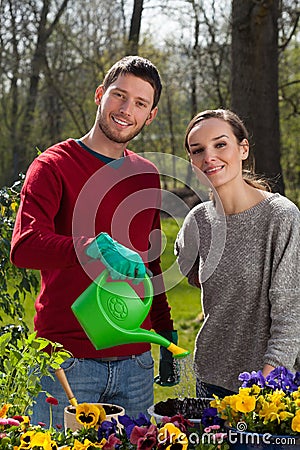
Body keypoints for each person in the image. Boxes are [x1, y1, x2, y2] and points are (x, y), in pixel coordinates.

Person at [10, 56, 178, 427]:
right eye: (119, 95)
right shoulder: (54, 165)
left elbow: (148, 263)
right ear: (100, 95)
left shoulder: (147, 175)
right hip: (68, 361)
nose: (126, 109)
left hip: (136, 363)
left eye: (140, 103)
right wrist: (90, 247)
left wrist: (164, 331)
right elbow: (24, 246)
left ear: (150, 116)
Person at [175, 108, 300, 399]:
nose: (209, 157)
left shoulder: (281, 217)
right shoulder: (198, 221)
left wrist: (265, 387)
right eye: (198, 151)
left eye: (220, 144)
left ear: (243, 149)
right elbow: (184, 264)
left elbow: (291, 317)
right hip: (209, 380)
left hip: (268, 387)